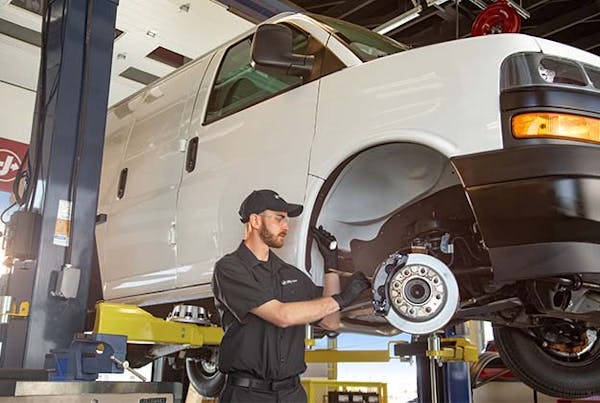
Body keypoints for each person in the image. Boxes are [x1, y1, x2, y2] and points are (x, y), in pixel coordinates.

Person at [212, 189, 371, 403]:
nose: (286, 226)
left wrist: (330, 267)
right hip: (247, 395)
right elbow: (281, 316)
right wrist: (342, 299)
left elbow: (330, 321)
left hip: (292, 394)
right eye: (279, 219)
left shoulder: (292, 275)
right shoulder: (230, 268)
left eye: (287, 220)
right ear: (255, 221)